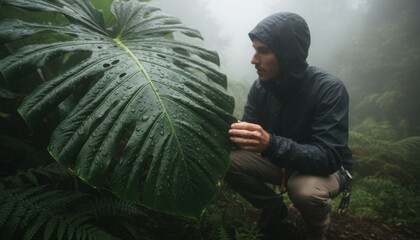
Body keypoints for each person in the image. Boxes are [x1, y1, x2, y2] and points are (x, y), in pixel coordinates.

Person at [226, 12, 353, 240]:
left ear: (287, 55)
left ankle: (317, 231)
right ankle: (273, 207)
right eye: (254, 49)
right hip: (282, 160)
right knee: (226, 161)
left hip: (327, 169)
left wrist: (271, 144)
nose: (254, 59)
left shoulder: (328, 88)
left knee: (304, 190)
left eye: (263, 51)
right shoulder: (261, 87)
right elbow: (251, 136)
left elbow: (329, 156)